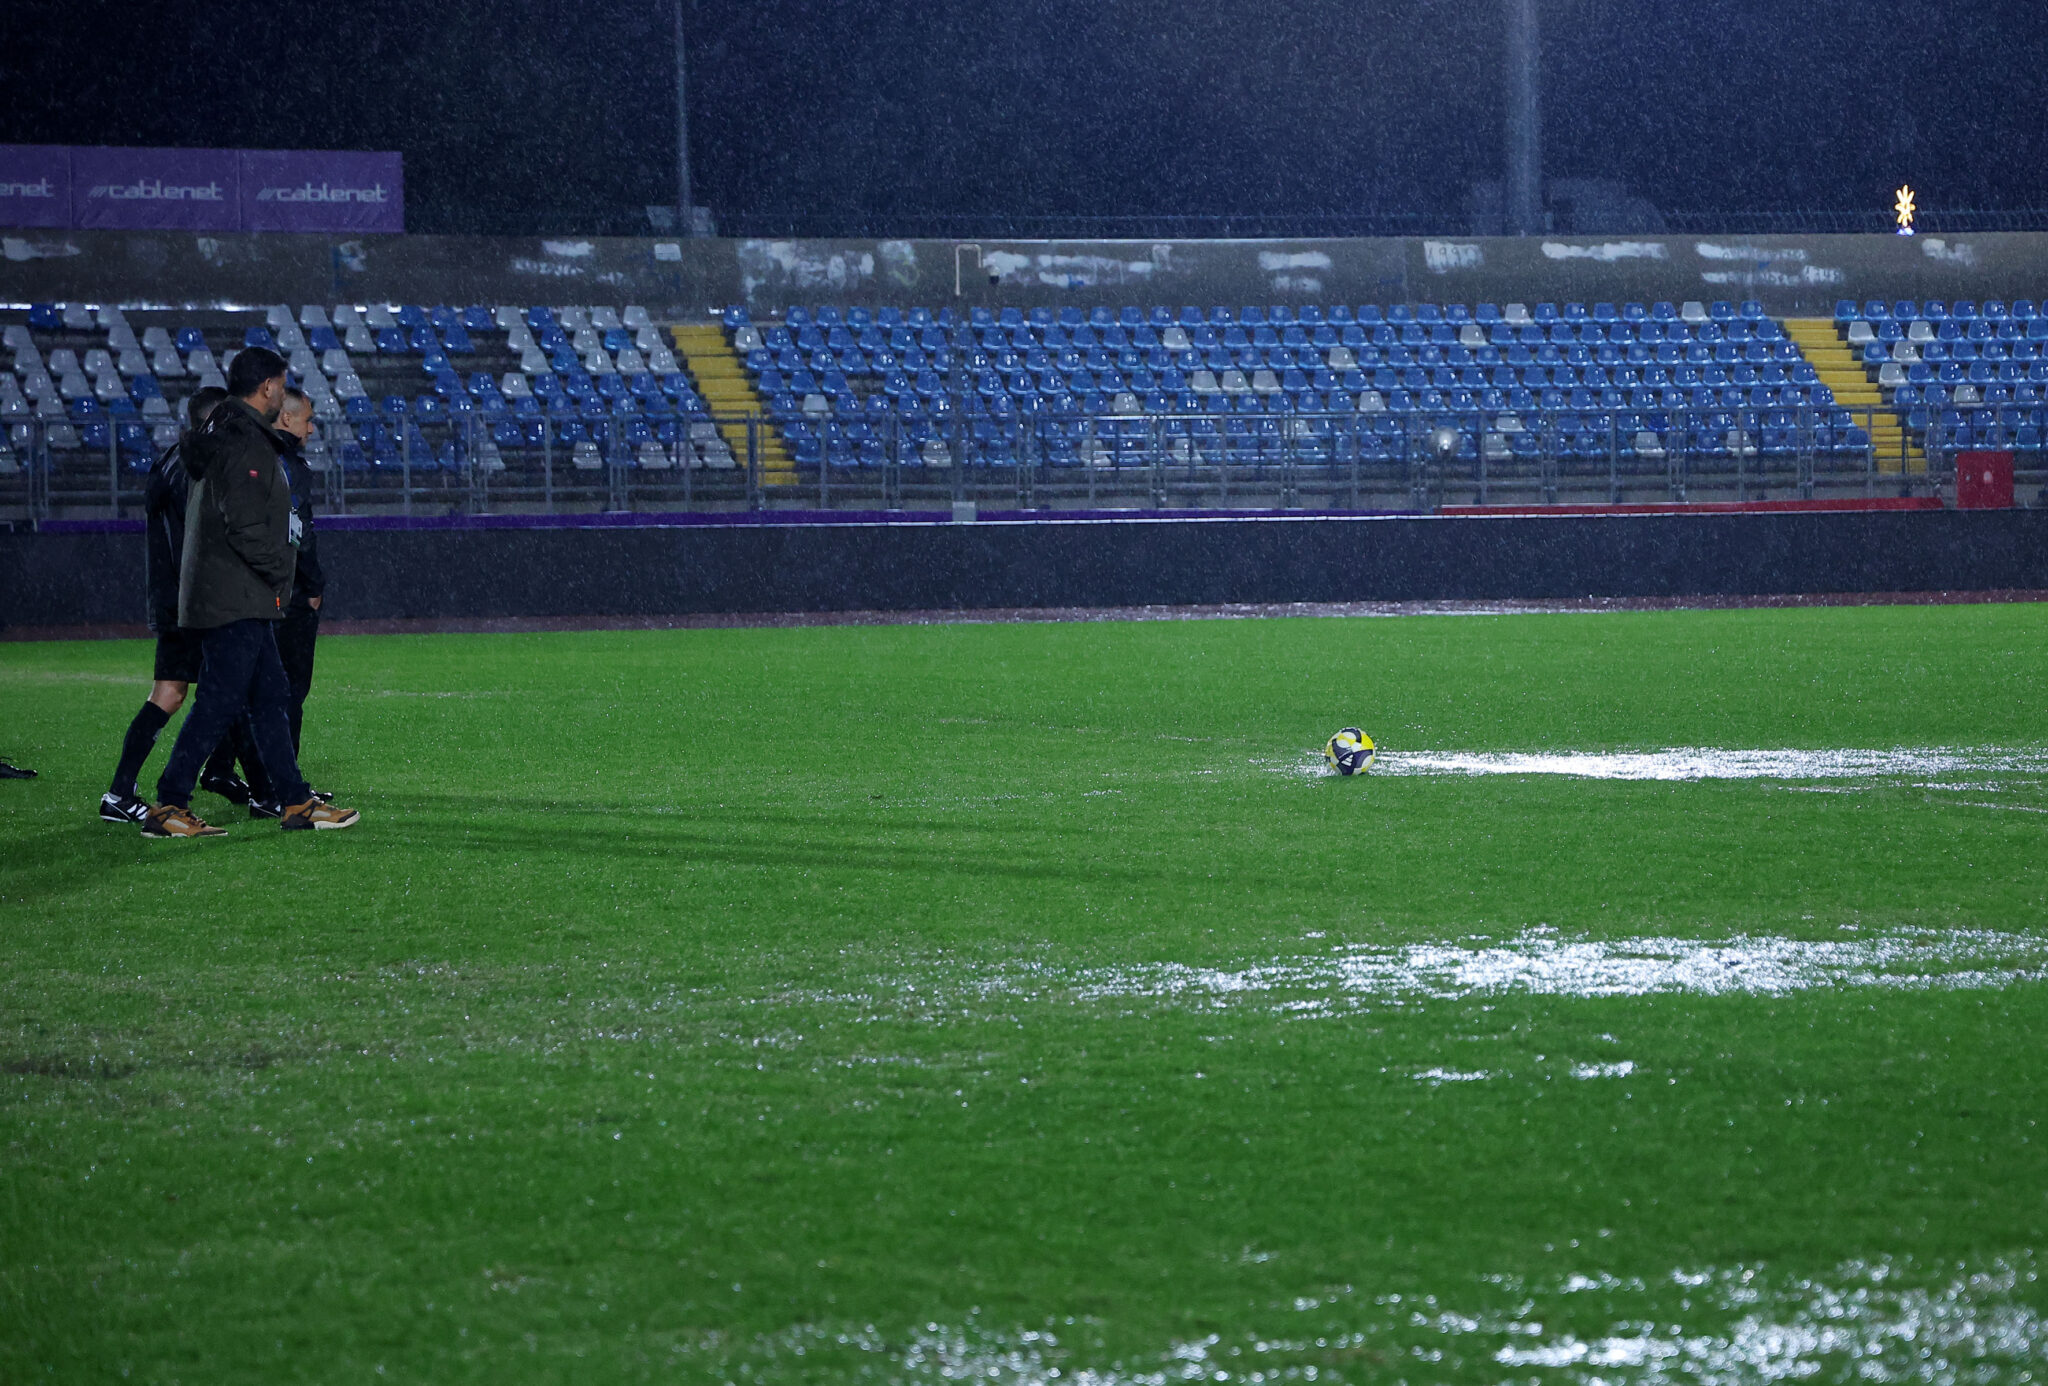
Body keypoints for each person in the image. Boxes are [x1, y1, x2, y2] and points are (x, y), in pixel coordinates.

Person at [141, 347, 359, 838]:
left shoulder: (225, 431)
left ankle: (295, 801)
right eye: (281, 384)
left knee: (270, 695)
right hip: (234, 594)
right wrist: (281, 573)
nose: (282, 393)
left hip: (231, 592)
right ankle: (170, 803)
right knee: (220, 700)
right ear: (267, 387)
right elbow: (243, 525)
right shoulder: (246, 441)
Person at [100, 387, 234, 823]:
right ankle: (262, 789)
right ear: (216, 420)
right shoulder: (191, 468)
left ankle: (123, 792)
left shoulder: (171, 461)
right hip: (189, 600)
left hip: (176, 597)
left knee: (175, 693)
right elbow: (193, 540)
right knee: (224, 689)